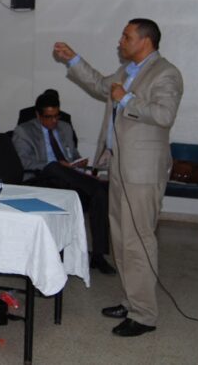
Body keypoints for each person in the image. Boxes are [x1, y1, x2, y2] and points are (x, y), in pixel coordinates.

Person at [54, 18, 183, 338]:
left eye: (126, 37)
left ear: (145, 41)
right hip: (119, 167)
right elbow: (100, 84)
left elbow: (164, 115)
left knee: (139, 240)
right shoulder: (128, 72)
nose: (120, 41)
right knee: (122, 240)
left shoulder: (165, 73)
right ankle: (131, 301)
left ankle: (145, 314)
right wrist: (73, 59)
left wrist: (126, 98)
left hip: (142, 171)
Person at [12, 91, 114, 274]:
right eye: (48, 117)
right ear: (38, 115)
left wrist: (78, 162)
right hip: (40, 179)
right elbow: (24, 162)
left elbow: (72, 155)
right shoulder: (24, 131)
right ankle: (91, 183)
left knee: (100, 193)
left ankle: (98, 256)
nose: (53, 121)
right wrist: (55, 165)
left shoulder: (65, 127)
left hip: (66, 179)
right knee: (55, 168)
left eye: (56, 116)